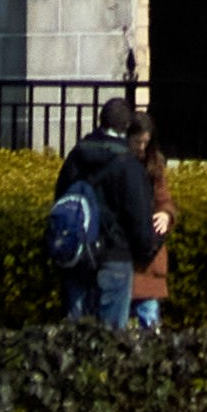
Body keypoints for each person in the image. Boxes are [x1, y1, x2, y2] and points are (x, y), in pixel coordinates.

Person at [53, 98, 166, 327]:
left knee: (74, 338)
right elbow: (138, 218)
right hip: (115, 258)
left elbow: (60, 198)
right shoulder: (128, 164)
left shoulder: (77, 155)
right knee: (111, 342)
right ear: (126, 127)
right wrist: (146, 250)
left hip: (77, 256)